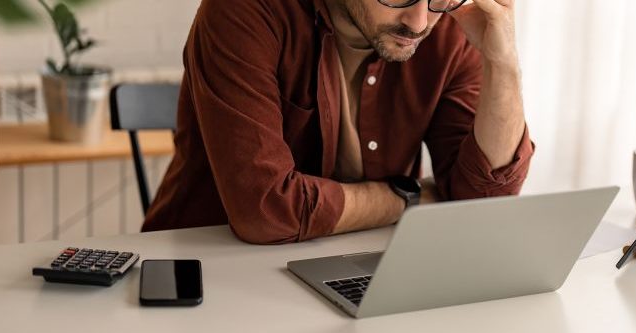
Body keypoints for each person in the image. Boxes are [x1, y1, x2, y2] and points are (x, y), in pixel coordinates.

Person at [142, 0, 534, 244]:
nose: (418, 22)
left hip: (366, 264)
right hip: (207, 271)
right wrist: (410, 197)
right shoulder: (246, 10)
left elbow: (483, 203)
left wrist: (503, 61)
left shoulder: (448, 21)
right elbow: (263, 211)